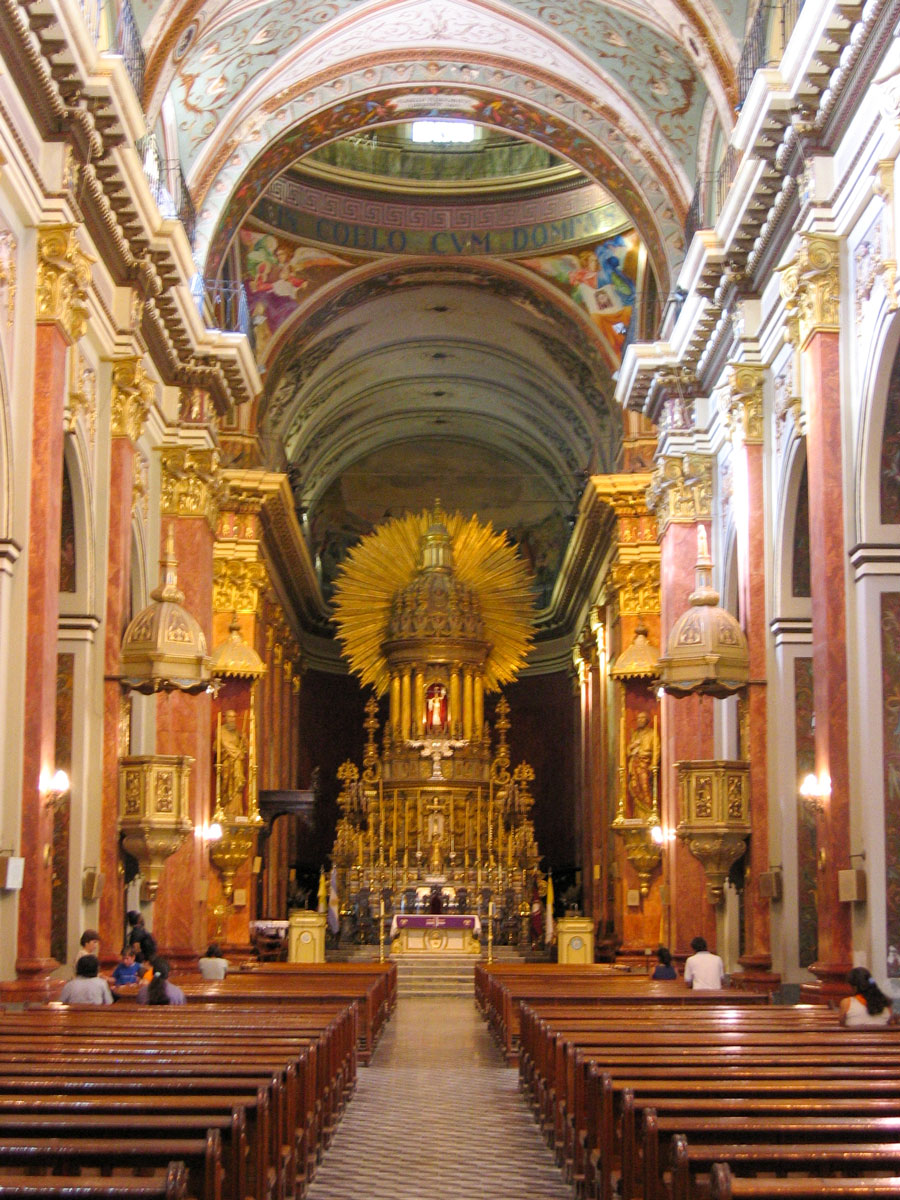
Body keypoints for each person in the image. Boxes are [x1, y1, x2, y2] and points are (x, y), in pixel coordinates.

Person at [217, 708, 248, 816]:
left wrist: (244, 740)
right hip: (227, 764)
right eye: (230, 717)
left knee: (238, 784)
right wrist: (237, 753)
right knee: (226, 784)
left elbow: (244, 749)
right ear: (225, 718)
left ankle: (236, 811)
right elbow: (225, 745)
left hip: (237, 764)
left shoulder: (237, 733)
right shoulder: (221, 730)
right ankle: (226, 809)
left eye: (234, 717)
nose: (232, 719)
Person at [626, 711, 656, 819]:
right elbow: (628, 751)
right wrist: (632, 745)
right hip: (634, 763)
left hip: (645, 764)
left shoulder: (652, 733)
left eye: (642, 718)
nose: (639, 720)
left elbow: (656, 749)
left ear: (646, 720)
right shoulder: (635, 734)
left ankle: (648, 814)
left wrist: (653, 764)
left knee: (645, 788)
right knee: (634, 786)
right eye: (638, 718)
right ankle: (638, 815)